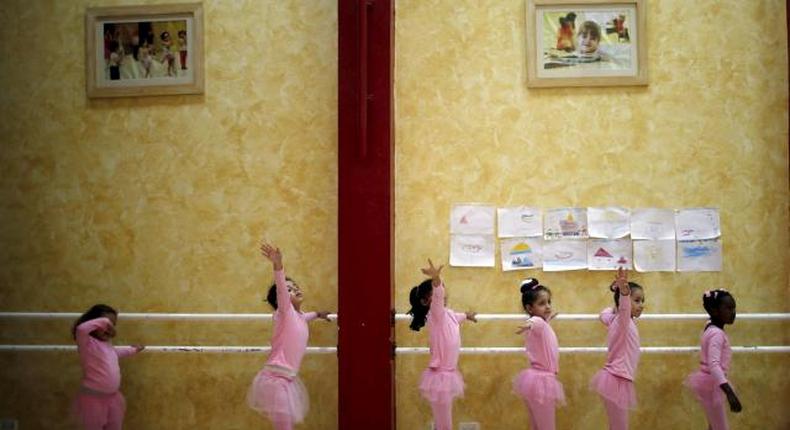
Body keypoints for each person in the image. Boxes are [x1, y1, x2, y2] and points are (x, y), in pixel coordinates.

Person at [247, 242, 331, 430]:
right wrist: (278, 265)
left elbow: (305, 318)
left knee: (285, 425)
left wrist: (318, 314)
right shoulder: (284, 312)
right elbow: (282, 289)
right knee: (284, 426)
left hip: (286, 380)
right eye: (289, 289)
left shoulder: (299, 317)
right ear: (281, 299)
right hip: (276, 381)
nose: (295, 289)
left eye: (296, 286)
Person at [407, 259, 477, 430]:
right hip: (441, 376)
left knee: (444, 420)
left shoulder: (448, 314)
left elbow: (456, 316)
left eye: (443, 286)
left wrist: (467, 316)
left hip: (448, 374)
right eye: (439, 289)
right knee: (444, 422)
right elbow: (438, 296)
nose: (443, 291)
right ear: (427, 301)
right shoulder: (435, 314)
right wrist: (436, 279)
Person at [72, 304, 144, 430]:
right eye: (105, 325)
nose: (109, 329)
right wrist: (105, 321)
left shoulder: (106, 344)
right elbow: (81, 329)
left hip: (113, 397)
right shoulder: (86, 342)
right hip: (93, 399)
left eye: (112, 325)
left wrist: (132, 350)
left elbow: (113, 354)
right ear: (94, 323)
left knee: (115, 426)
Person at [590, 268, 645, 429]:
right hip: (617, 380)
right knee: (620, 426)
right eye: (637, 300)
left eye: (642, 300)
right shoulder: (623, 321)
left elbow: (603, 313)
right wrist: (624, 293)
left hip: (616, 379)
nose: (641, 305)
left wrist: (617, 299)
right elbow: (623, 308)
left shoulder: (615, 320)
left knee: (617, 425)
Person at [685, 289, 742, 430]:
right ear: (714, 311)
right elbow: (714, 365)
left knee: (714, 425)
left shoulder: (710, 326)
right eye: (728, 308)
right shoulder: (717, 334)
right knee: (720, 427)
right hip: (712, 384)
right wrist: (729, 393)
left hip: (711, 382)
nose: (733, 312)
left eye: (734, 308)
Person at [513, 278, 564, 430]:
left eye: (549, 302)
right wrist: (528, 324)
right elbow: (535, 322)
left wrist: (548, 317)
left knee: (537, 425)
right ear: (529, 308)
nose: (548, 306)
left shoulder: (544, 323)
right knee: (547, 426)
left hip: (536, 380)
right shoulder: (538, 323)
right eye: (542, 303)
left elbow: (540, 321)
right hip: (542, 381)